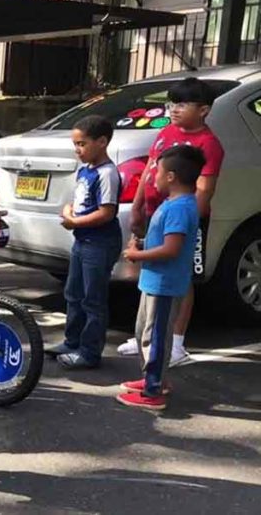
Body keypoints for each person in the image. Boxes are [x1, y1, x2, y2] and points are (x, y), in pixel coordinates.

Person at [123, 78, 224, 366]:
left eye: (182, 104)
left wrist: (188, 219)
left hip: (181, 219)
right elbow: (148, 171)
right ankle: (147, 334)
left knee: (182, 276)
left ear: (203, 110)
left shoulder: (209, 144)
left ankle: (175, 341)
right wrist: (139, 205)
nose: (174, 110)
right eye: (172, 103)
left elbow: (205, 188)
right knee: (151, 273)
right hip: (157, 214)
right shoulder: (166, 132)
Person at [119, 145, 204, 410]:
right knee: (145, 330)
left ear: (171, 177)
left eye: (157, 171)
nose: (152, 176)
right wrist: (143, 244)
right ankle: (152, 379)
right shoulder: (175, 204)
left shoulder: (179, 208)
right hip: (155, 281)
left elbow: (171, 249)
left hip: (164, 285)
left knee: (155, 336)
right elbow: (165, 240)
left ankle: (154, 390)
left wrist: (137, 255)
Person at [45, 115, 122, 369]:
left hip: (99, 243)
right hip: (82, 241)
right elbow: (78, 201)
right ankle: (72, 340)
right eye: (75, 144)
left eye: (82, 144)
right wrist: (69, 212)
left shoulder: (107, 173)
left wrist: (75, 222)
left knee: (93, 298)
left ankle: (89, 352)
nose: (78, 150)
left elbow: (106, 212)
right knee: (73, 293)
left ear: (102, 142)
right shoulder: (85, 170)